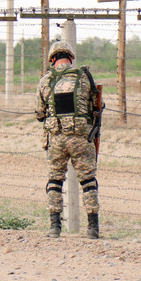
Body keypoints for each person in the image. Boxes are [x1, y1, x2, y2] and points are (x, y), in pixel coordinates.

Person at [35, 40, 102, 239]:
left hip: (56, 139)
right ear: (71, 58)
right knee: (88, 181)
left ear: (52, 59)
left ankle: (55, 226)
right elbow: (96, 106)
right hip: (81, 138)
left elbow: (39, 114)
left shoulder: (45, 81)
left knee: (55, 181)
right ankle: (92, 228)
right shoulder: (84, 77)